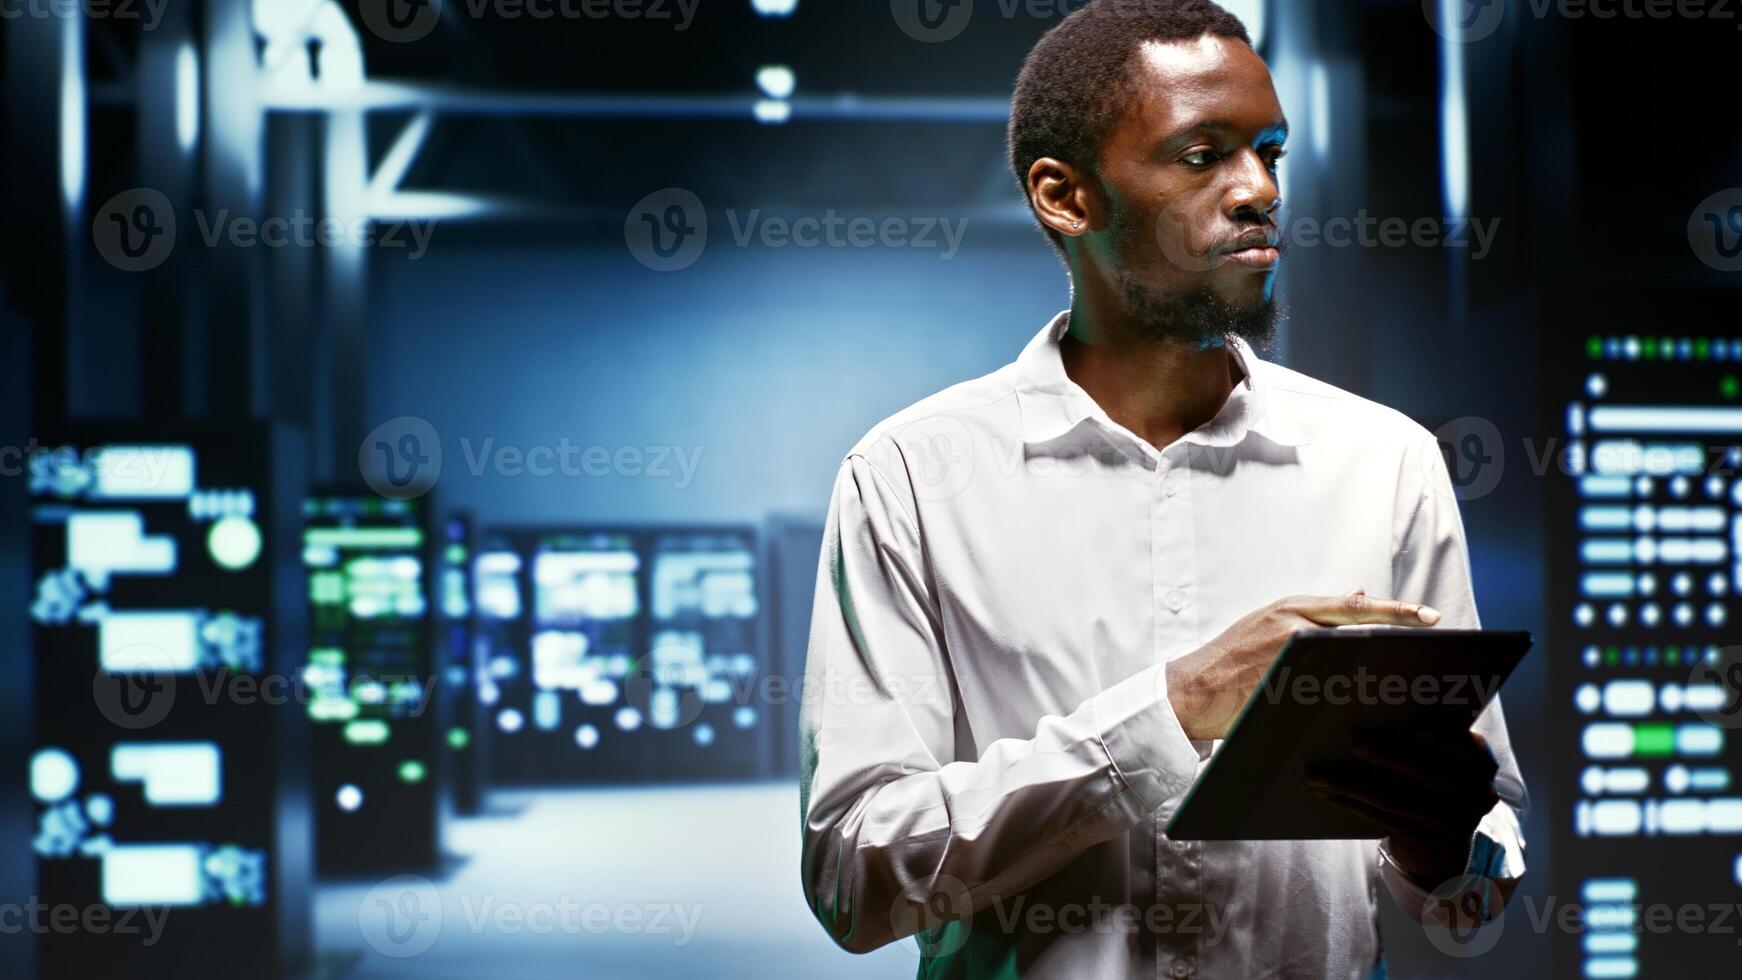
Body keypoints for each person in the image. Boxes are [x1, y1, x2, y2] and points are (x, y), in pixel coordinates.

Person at [797, 1, 1526, 977]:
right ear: (1064, 196)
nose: (1257, 189)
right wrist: (1169, 713)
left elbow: (1473, 887)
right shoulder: (909, 476)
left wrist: (1446, 845)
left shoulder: (1382, 461)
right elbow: (854, 875)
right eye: (1201, 155)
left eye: (1268, 151)